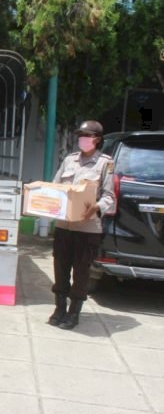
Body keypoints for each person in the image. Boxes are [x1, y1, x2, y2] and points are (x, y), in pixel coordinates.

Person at [48, 120, 115, 330]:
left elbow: (109, 196)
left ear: (97, 139)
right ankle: (59, 308)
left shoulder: (105, 163)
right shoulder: (69, 160)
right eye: (80, 136)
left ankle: (73, 312)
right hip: (64, 225)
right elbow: (55, 186)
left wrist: (95, 207)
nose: (82, 140)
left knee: (81, 271)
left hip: (87, 228)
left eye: (86, 136)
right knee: (60, 267)